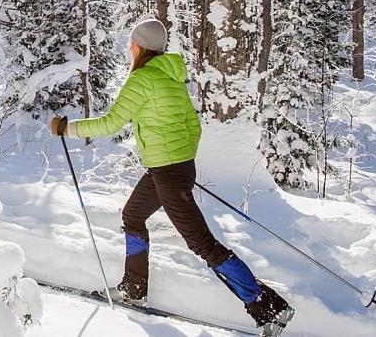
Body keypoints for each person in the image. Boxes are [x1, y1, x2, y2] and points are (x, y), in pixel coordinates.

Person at [50, 19, 294, 337]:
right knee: (133, 215)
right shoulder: (171, 77)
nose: (129, 47)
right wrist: (179, 162)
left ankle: (269, 307)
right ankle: (133, 289)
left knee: (202, 244)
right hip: (168, 169)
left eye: (132, 43)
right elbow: (194, 127)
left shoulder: (143, 78)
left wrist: (65, 128)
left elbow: (111, 124)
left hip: (168, 172)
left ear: (139, 47)